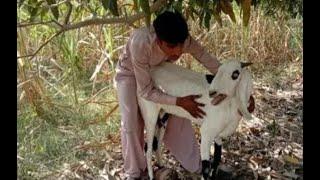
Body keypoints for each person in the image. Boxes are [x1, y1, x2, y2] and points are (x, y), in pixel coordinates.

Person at [113, 10, 254, 180]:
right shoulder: (141, 43)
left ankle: (198, 167)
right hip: (130, 74)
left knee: (180, 116)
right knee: (131, 122)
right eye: (171, 47)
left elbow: (206, 58)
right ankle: (136, 173)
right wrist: (178, 101)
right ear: (158, 41)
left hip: (159, 71)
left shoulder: (182, 39)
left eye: (181, 46)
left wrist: (239, 90)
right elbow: (145, 91)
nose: (178, 52)